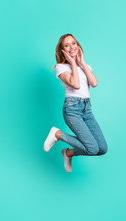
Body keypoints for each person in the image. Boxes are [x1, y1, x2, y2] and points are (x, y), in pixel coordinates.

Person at [44, 33, 108, 173]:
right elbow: (75, 84)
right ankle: (57, 134)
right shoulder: (62, 67)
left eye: (73, 43)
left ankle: (68, 153)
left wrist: (82, 63)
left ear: (78, 45)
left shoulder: (86, 66)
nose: (71, 47)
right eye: (67, 45)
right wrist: (73, 64)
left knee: (102, 149)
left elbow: (94, 83)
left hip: (87, 110)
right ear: (63, 51)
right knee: (92, 148)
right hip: (72, 110)